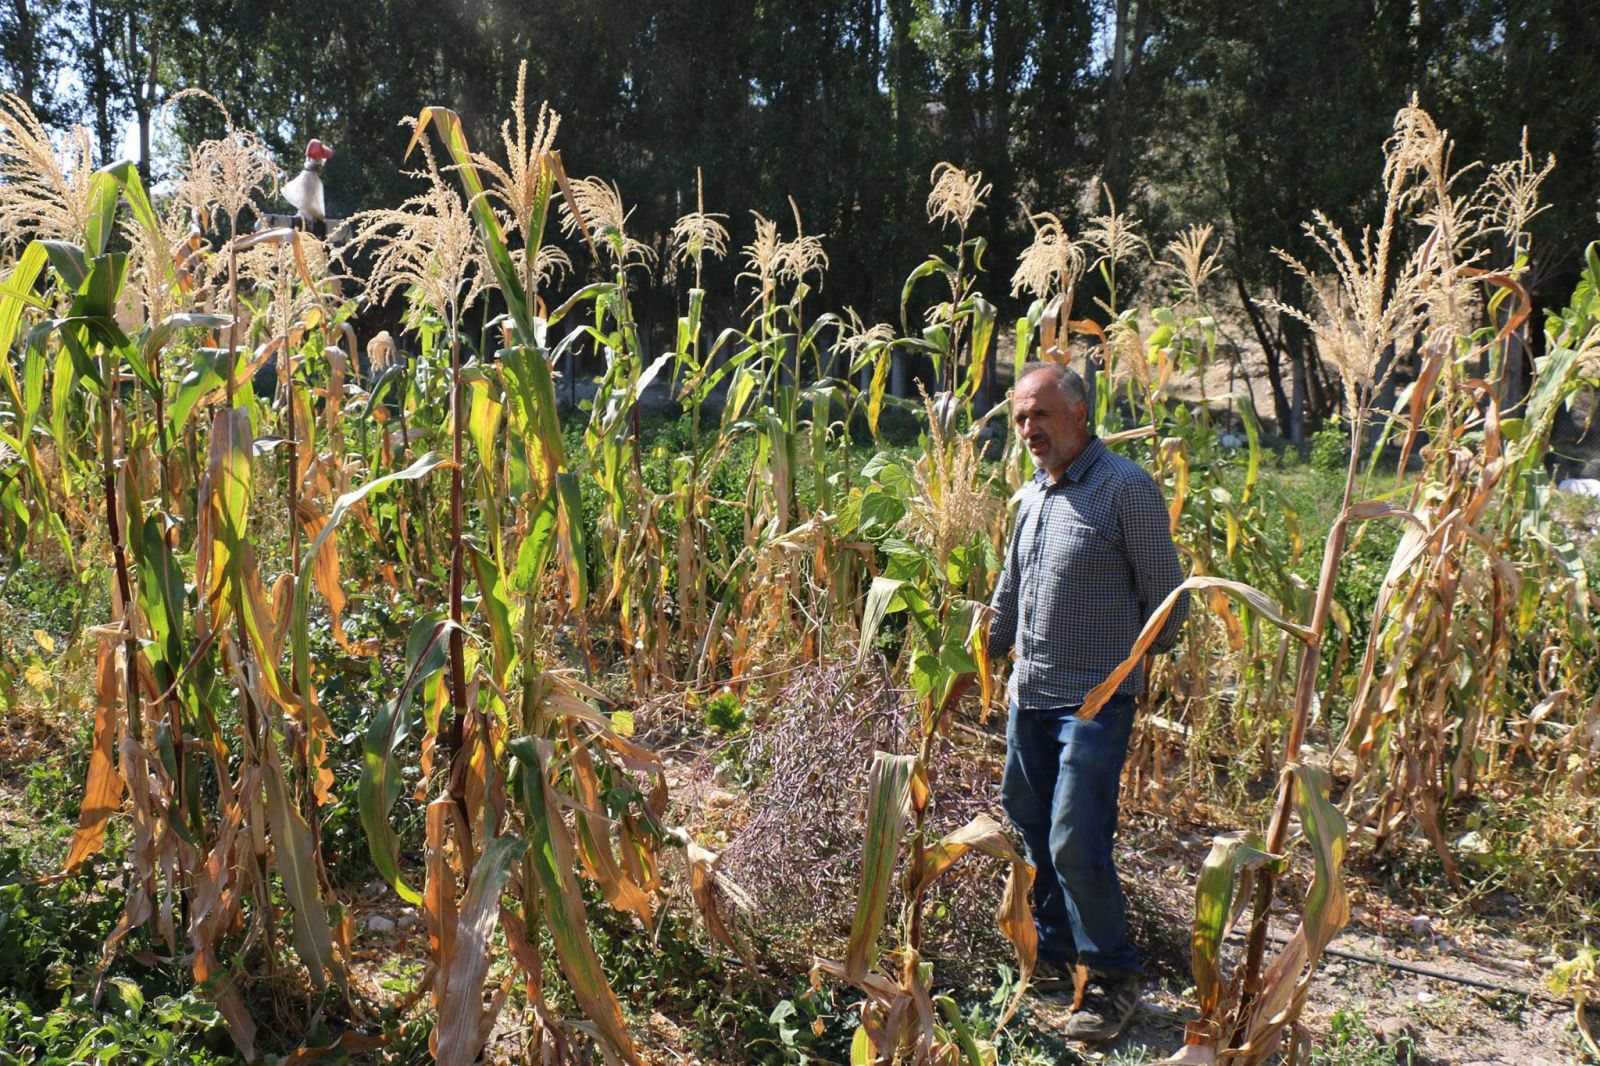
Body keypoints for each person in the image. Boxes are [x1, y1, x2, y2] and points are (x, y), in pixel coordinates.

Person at [987, 361, 1189, 1042]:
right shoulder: (1032, 495)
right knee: (1029, 820)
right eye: (1020, 417)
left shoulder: (1125, 488)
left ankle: (1112, 977)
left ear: (1079, 413)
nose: (1028, 429)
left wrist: (1121, 667)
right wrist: (985, 648)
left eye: (1040, 414)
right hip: (1031, 694)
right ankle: (1055, 951)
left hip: (1095, 702)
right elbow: (1010, 589)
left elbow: (1168, 604)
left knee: (1075, 836)